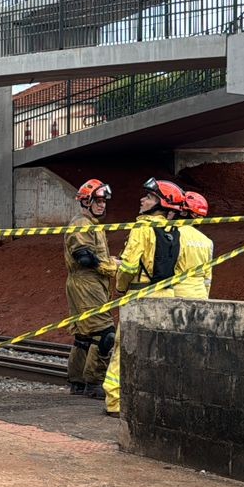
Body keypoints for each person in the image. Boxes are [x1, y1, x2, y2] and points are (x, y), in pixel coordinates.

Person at [102, 178, 187, 417]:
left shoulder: (142, 228)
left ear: (161, 204)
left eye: (149, 197)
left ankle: (115, 400)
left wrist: (120, 286)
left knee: (124, 347)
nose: (142, 199)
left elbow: (128, 267)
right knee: (158, 350)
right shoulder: (173, 231)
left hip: (140, 294)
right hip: (166, 295)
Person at [63, 179, 117, 399]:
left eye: (104, 201)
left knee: (84, 335)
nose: (102, 205)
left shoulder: (89, 223)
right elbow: (84, 257)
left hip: (87, 283)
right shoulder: (82, 225)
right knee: (105, 334)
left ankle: (77, 382)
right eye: (98, 200)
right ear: (86, 201)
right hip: (87, 284)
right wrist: (112, 266)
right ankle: (94, 383)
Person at [174, 191, 214, 300]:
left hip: (177, 295)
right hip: (201, 296)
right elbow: (207, 277)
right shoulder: (207, 241)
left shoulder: (174, 234)